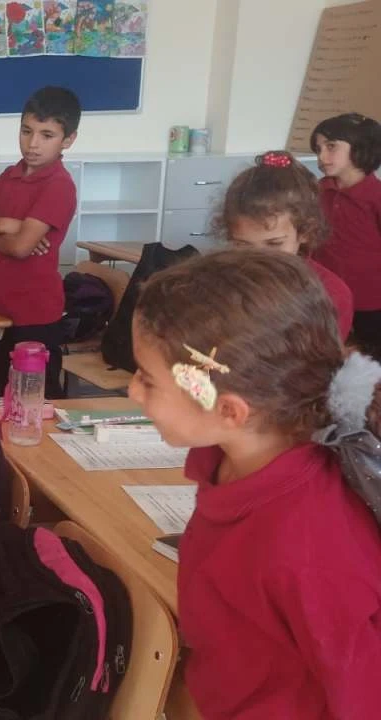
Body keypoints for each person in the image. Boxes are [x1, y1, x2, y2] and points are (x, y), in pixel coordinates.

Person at [128, 249, 381, 718]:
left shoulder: (309, 549)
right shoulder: (227, 461)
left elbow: (363, 696)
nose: (132, 390)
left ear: (229, 411)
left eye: (148, 380)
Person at [0, 86, 81, 399]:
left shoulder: (59, 185)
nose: (33, 143)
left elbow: (20, 248)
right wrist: (7, 225)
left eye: (47, 135)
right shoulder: (10, 175)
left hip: (35, 314)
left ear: (68, 140)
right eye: (26, 131)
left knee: (35, 399)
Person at [217, 150, 353, 339]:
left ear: (305, 231)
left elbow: (326, 353)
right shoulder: (220, 281)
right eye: (243, 245)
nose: (259, 260)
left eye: (274, 244)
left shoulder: (331, 294)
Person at [311, 112, 381, 358]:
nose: (322, 157)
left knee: (370, 360)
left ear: (360, 148)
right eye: (318, 149)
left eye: (331, 147)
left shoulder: (376, 196)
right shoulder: (318, 190)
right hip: (325, 294)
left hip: (370, 301)